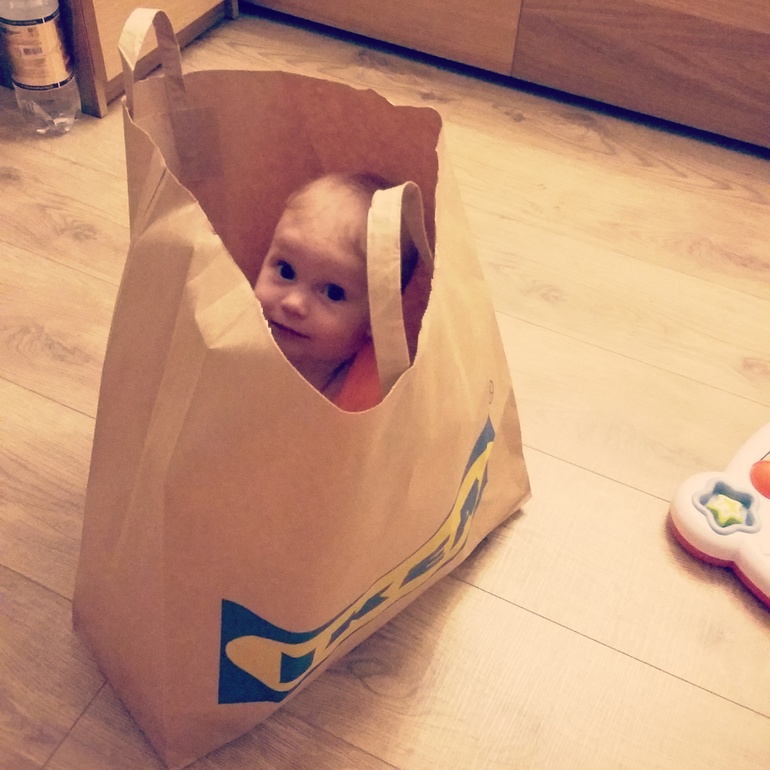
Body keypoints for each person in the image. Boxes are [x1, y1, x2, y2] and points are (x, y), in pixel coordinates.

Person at [254, 172, 418, 409]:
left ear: (377, 319)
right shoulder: (234, 331)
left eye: (333, 293)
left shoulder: (377, 394)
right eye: (286, 271)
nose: (293, 303)